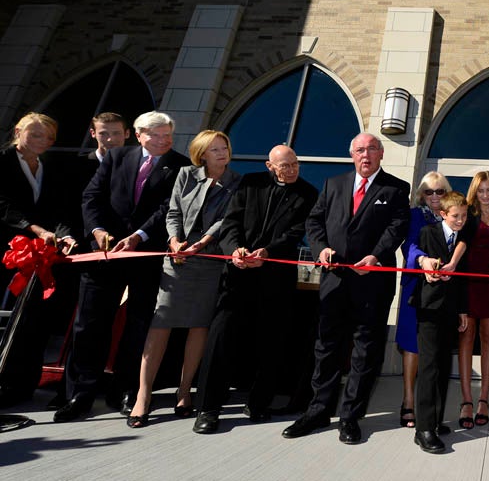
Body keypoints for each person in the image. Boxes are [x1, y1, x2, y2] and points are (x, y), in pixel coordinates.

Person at [56, 111, 189, 422]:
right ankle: (80, 394)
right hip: (104, 254)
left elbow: (169, 208)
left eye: (167, 135)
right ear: (139, 135)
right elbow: (92, 197)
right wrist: (97, 230)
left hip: (146, 255)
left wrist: (139, 236)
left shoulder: (180, 166)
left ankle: (126, 391)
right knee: (90, 324)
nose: (163, 140)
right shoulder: (117, 157)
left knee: (139, 326)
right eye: (156, 135)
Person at [282, 133, 410, 443]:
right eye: (360, 150)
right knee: (326, 347)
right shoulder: (333, 184)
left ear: (381, 154)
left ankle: (351, 417)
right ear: (352, 154)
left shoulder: (396, 188)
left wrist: (376, 256)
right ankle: (318, 411)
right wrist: (321, 248)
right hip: (334, 280)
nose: (366, 155)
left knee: (365, 352)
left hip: (372, 282)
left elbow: (397, 227)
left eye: (372, 149)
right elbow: (314, 221)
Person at [191, 144, 317, 434]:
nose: (292, 170)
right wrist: (235, 250)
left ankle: (259, 402)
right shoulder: (250, 183)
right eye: (284, 166)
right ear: (270, 166)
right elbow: (231, 222)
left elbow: (295, 233)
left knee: (270, 343)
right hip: (237, 274)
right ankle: (208, 409)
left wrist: (268, 252)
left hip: (275, 278)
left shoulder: (308, 193)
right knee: (221, 337)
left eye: (295, 164)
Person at [127, 130, 241, 428]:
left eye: (225, 147)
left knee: (198, 325)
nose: (222, 153)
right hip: (176, 259)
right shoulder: (186, 174)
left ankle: (184, 390)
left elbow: (226, 220)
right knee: (161, 323)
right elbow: (173, 210)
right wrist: (174, 240)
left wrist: (201, 244)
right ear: (202, 154)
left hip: (209, 262)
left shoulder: (236, 181)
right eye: (215, 149)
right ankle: (143, 395)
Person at [0, 113, 77, 407]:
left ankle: (20, 385)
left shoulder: (51, 168)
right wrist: (35, 229)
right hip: (8, 250)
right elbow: (3, 206)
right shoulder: (3, 161)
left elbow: (59, 209)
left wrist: (64, 235)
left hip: (39, 257)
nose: (41, 141)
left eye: (47, 137)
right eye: (34, 134)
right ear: (18, 131)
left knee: (32, 321)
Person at [410, 191, 470, 453]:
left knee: (444, 365)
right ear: (443, 214)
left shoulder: (461, 240)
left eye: (464, 216)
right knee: (429, 366)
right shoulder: (428, 233)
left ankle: (435, 420)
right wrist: (429, 271)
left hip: (450, 310)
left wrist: (462, 310)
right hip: (429, 307)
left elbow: (463, 279)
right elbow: (417, 263)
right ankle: (423, 428)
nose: (460, 220)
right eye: (456, 216)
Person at [396, 171, 454, 429]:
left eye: (439, 191)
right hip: (415, 287)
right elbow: (409, 245)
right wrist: (422, 260)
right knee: (412, 344)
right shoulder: (414, 215)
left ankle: (431, 410)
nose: (434, 196)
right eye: (429, 191)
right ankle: (408, 401)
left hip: (442, 292)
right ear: (421, 194)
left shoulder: (451, 217)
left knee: (437, 350)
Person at [457, 170, 489, 429]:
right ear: (475, 192)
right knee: (466, 337)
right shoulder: (468, 217)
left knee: (488, 337)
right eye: (481, 190)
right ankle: (466, 400)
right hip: (468, 283)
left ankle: (484, 398)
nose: (485, 195)